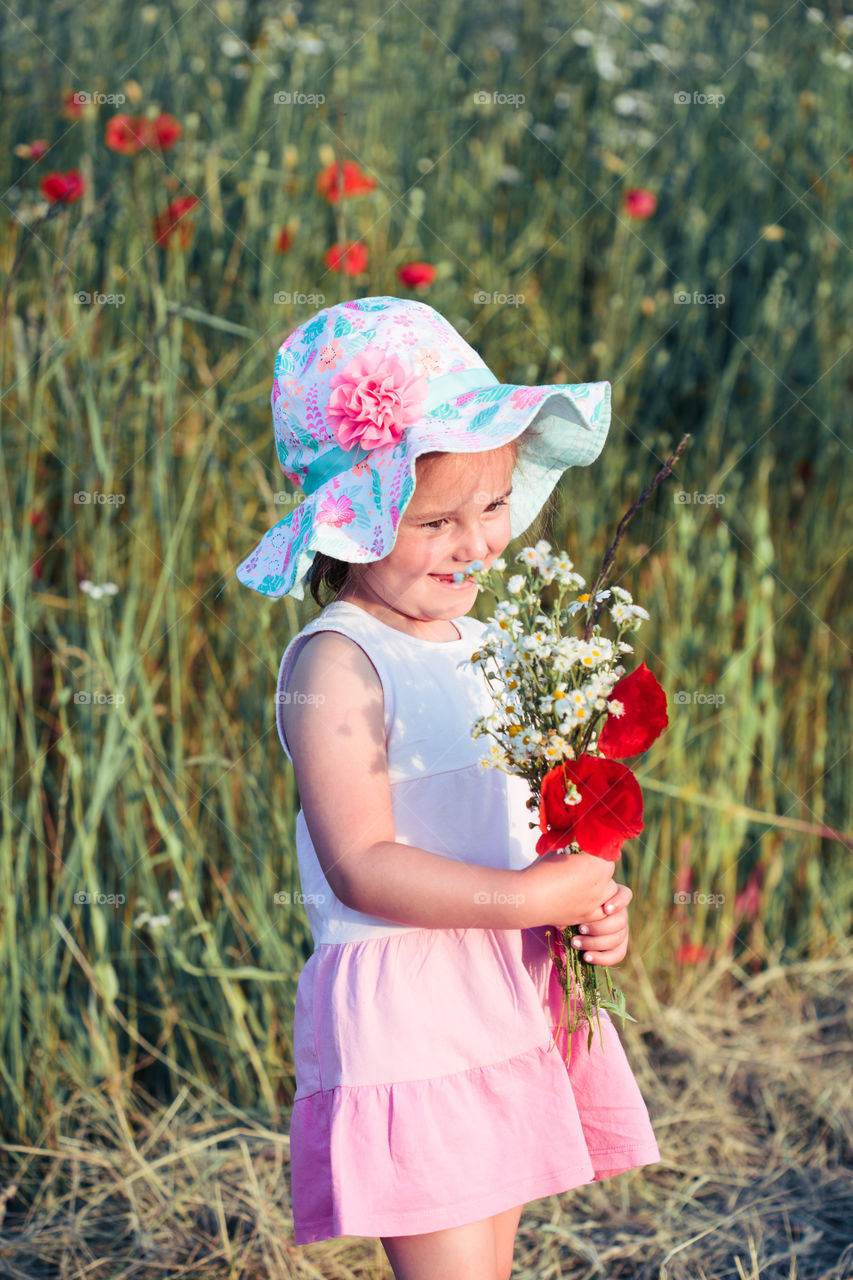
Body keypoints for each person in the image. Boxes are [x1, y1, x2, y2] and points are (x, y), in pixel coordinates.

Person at [234, 295, 660, 1280]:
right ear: (350, 525)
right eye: (433, 520)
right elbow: (362, 864)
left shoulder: (492, 644)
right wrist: (525, 897)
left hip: (508, 986)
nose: (476, 542)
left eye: (495, 504)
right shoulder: (336, 661)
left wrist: (581, 902)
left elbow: (515, 818)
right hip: (409, 1010)